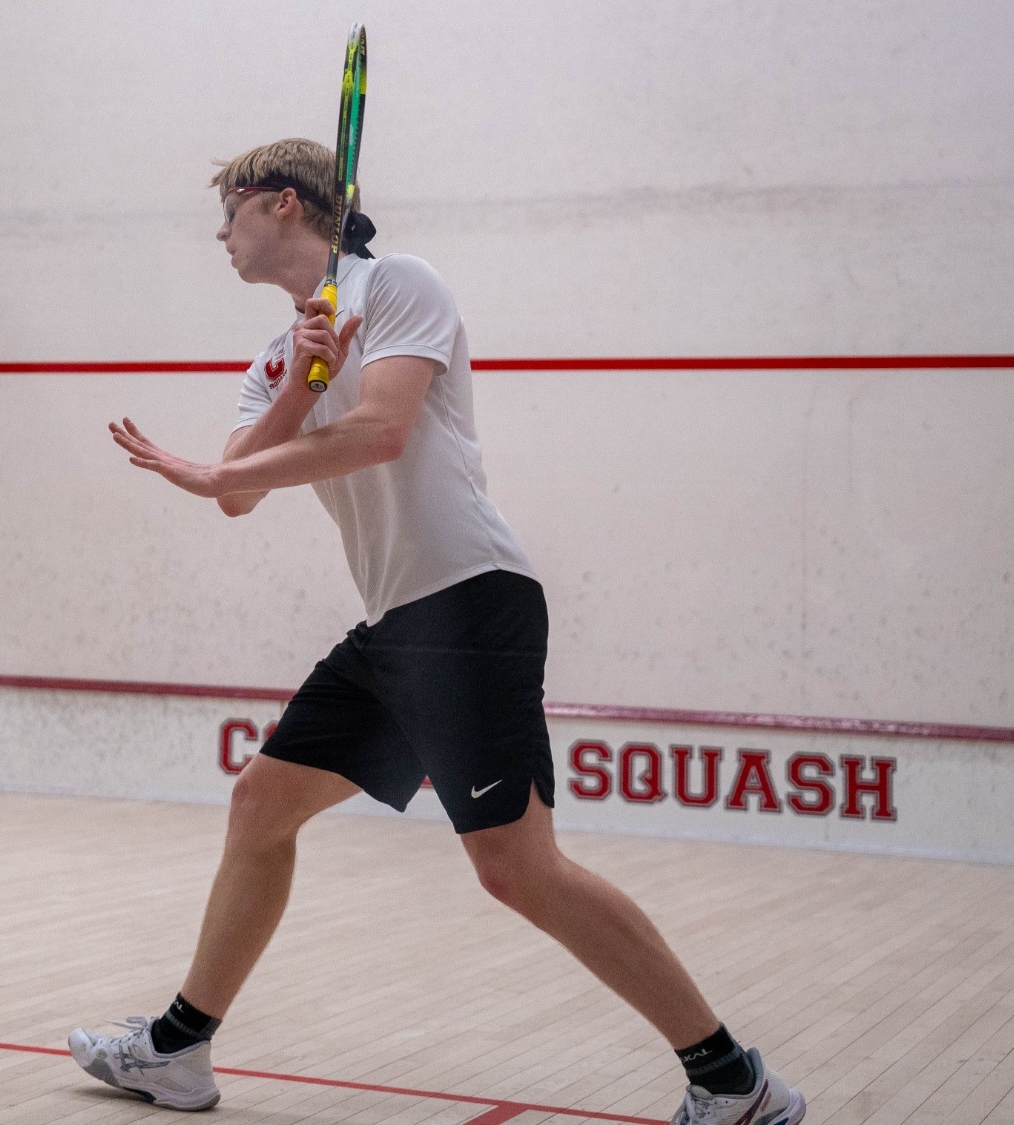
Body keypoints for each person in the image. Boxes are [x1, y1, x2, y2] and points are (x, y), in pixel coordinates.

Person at [71, 137, 805, 1125]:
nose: (219, 235)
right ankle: (176, 1051)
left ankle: (732, 1082)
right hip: (395, 625)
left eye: (227, 212)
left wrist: (221, 466)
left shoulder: (399, 285)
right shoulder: (280, 353)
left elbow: (380, 431)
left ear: (281, 203)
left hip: (467, 602)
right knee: (261, 805)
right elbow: (239, 492)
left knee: (517, 870)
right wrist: (302, 382)